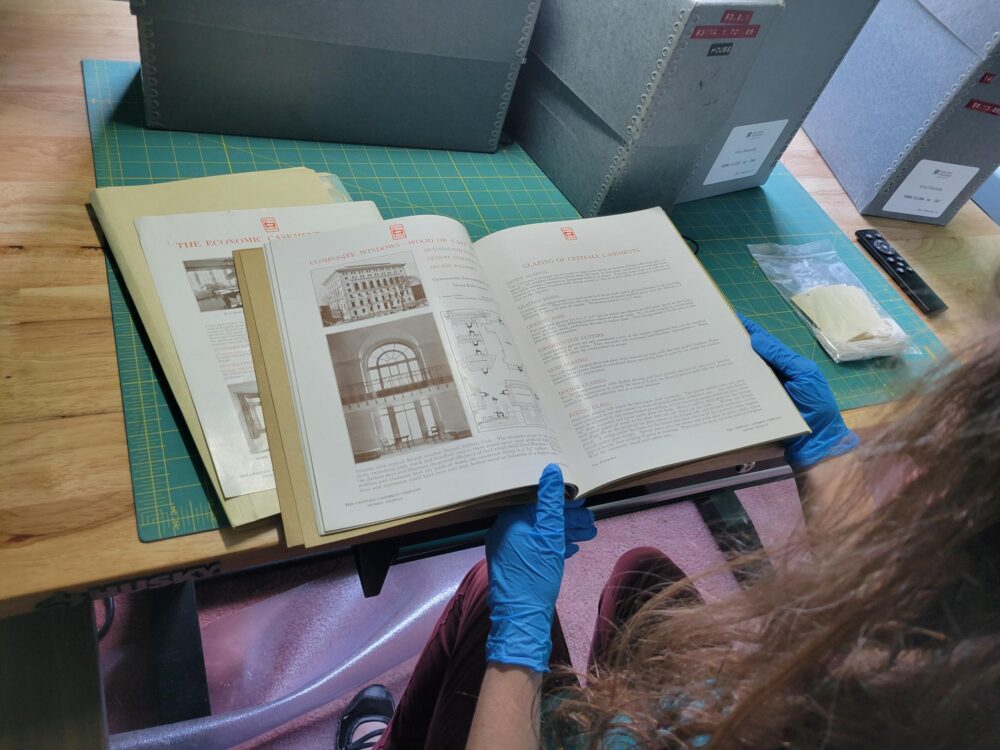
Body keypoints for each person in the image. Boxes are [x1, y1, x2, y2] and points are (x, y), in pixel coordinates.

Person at [337, 315, 1000, 749]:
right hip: (701, 716)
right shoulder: (954, 667)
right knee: (644, 578)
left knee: (489, 593)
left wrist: (518, 649)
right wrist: (827, 458)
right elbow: (899, 628)